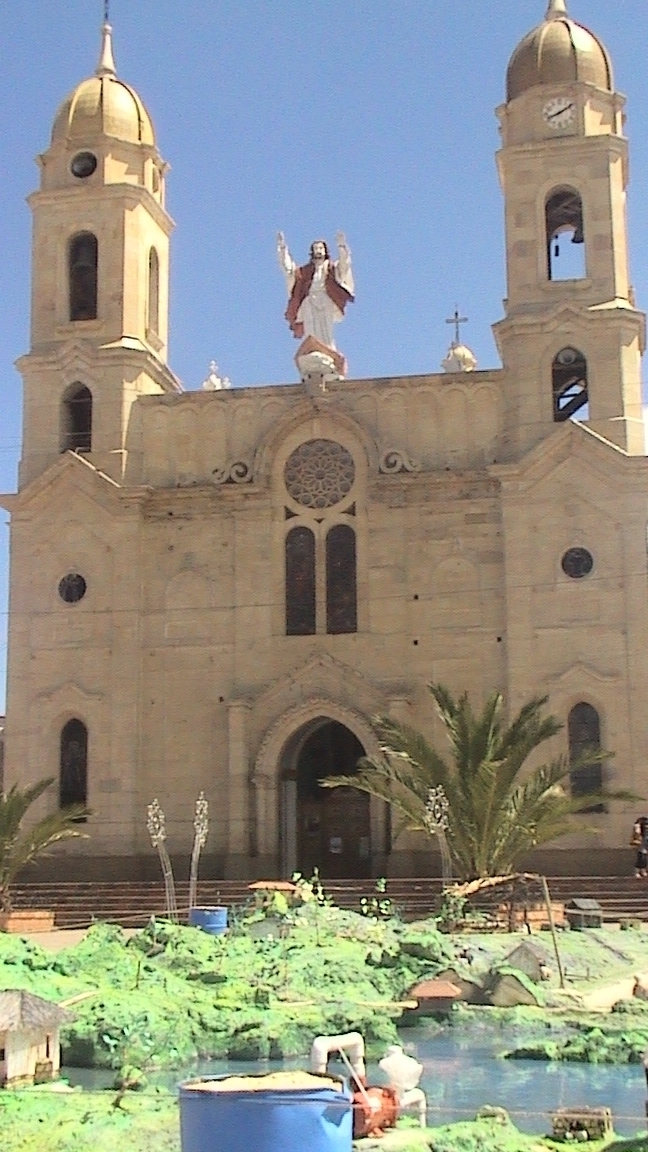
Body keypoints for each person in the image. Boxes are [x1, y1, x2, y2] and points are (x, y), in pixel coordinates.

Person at [277, 233, 354, 350]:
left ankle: (328, 349)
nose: (318, 251)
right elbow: (288, 269)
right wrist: (283, 249)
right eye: (316, 248)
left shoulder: (332, 268)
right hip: (310, 301)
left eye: (321, 248)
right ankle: (312, 349)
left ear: (325, 251)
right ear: (312, 252)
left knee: (326, 328)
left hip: (325, 300)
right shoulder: (305, 271)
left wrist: (342, 246)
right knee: (311, 327)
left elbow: (345, 264)